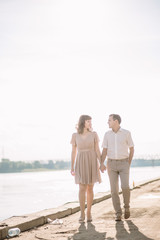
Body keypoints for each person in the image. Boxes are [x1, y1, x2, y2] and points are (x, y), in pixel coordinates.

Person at [100, 114, 134, 221]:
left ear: (116, 121)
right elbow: (104, 151)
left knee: (125, 187)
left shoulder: (126, 133)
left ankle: (127, 207)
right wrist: (101, 163)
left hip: (124, 163)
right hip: (111, 164)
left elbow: (132, 149)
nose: (107, 122)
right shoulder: (107, 134)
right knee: (114, 190)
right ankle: (118, 213)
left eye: (109, 120)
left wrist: (128, 163)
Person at [70, 115, 101, 223]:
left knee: (90, 188)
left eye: (91, 121)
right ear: (83, 122)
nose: (90, 123)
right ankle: (82, 212)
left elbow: (97, 150)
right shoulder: (75, 135)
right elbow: (73, 152)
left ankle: (89, 212)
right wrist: (72, 166)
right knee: (82, 188)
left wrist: (101, 163)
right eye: (88, 121)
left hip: (92, 161)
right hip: (81, 161)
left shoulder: (94, 134)